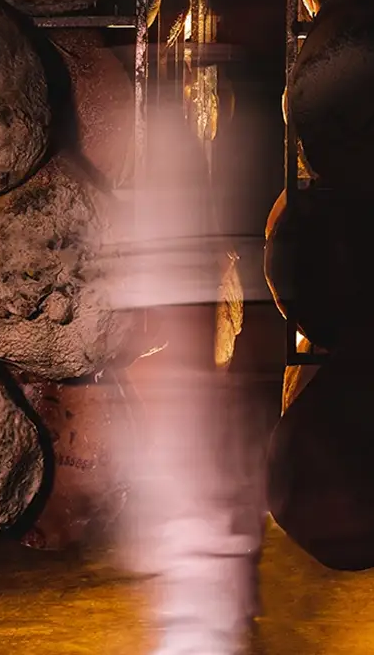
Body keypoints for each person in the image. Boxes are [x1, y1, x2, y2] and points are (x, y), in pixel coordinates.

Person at [106, 89, 265, 655]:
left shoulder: (169, 152)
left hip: (184, 376)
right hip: (184, 378)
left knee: (195, 487)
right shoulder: (180, 154)